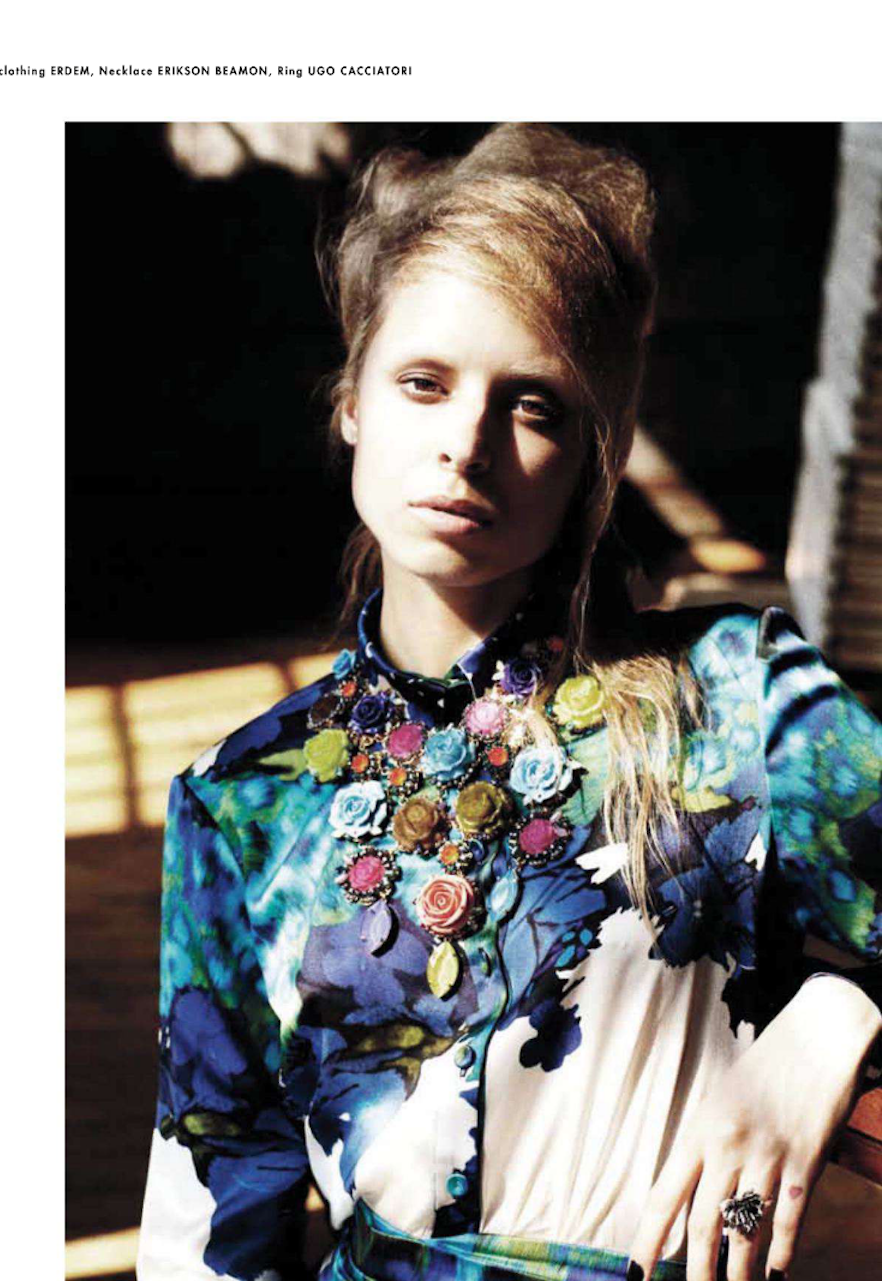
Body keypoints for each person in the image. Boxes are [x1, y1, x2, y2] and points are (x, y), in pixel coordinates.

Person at [136, 124, 882, 1281]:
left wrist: (835, 1019)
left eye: (532, 405)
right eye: (423, 384)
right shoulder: (239, 799)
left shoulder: (737, 698)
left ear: (594, 452)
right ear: (351, 402)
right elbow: (215, 1207)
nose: (466, 446)